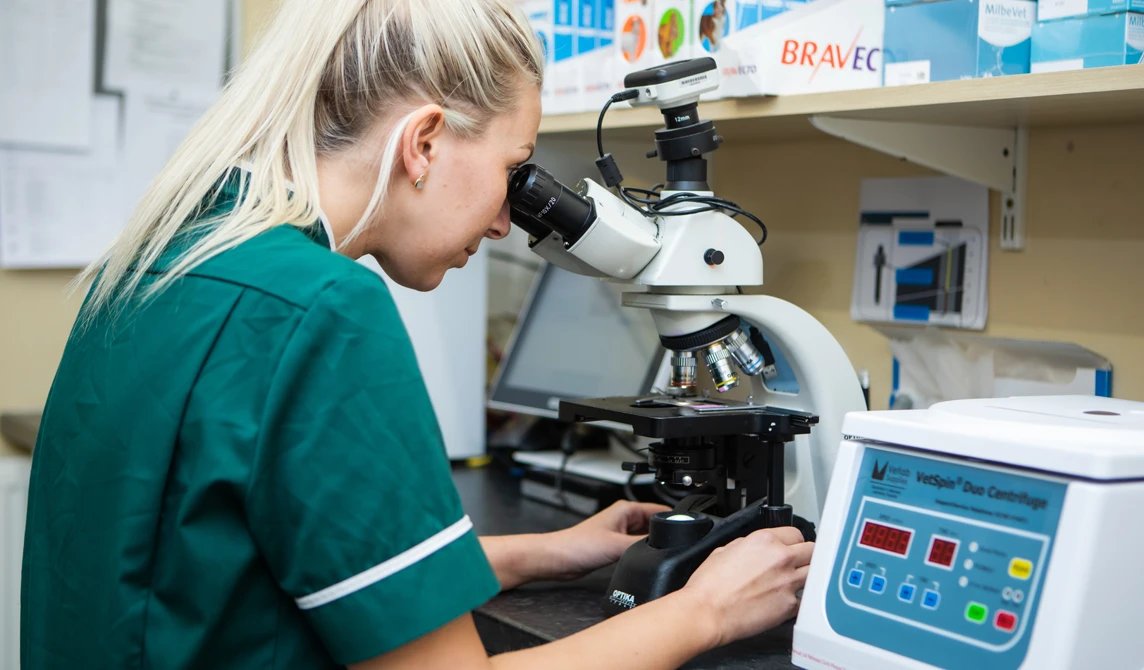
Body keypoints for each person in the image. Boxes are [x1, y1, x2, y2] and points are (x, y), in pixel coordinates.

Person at [20, 1, 813, 668]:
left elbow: (231, 564)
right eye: (512, 172)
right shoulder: (320, 310)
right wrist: (707, 609)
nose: (504, 222)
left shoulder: (161, 264)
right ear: (424, 142)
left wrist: (543, 551)